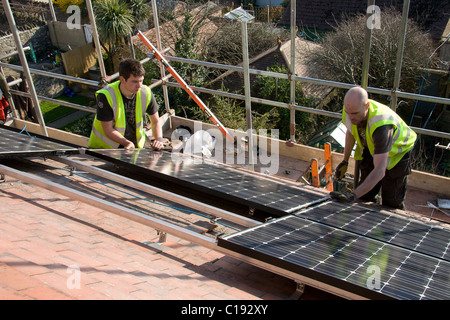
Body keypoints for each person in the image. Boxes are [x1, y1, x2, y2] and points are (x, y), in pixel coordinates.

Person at [330, 86, 417, 209]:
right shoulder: (350, 110)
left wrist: (353, 195)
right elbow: (351, 132)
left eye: (355, 113)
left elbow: (380, 171)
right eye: (349, 113)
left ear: (366, 107)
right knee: (365, 196)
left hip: (397, 155)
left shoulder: (381, 125)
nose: (351, 117)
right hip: (372, 148)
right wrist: (345, 160)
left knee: (391, 203)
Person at [89, 58, 163, 151]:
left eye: (141, 81)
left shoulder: (146, 92)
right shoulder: (106, 95)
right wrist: (127, 143)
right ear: (122, 80)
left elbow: (155, 121)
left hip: (133, 146)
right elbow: (107, 129)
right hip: (104, 149)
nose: (139, 85)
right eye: (135, 81)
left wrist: (159, 140)